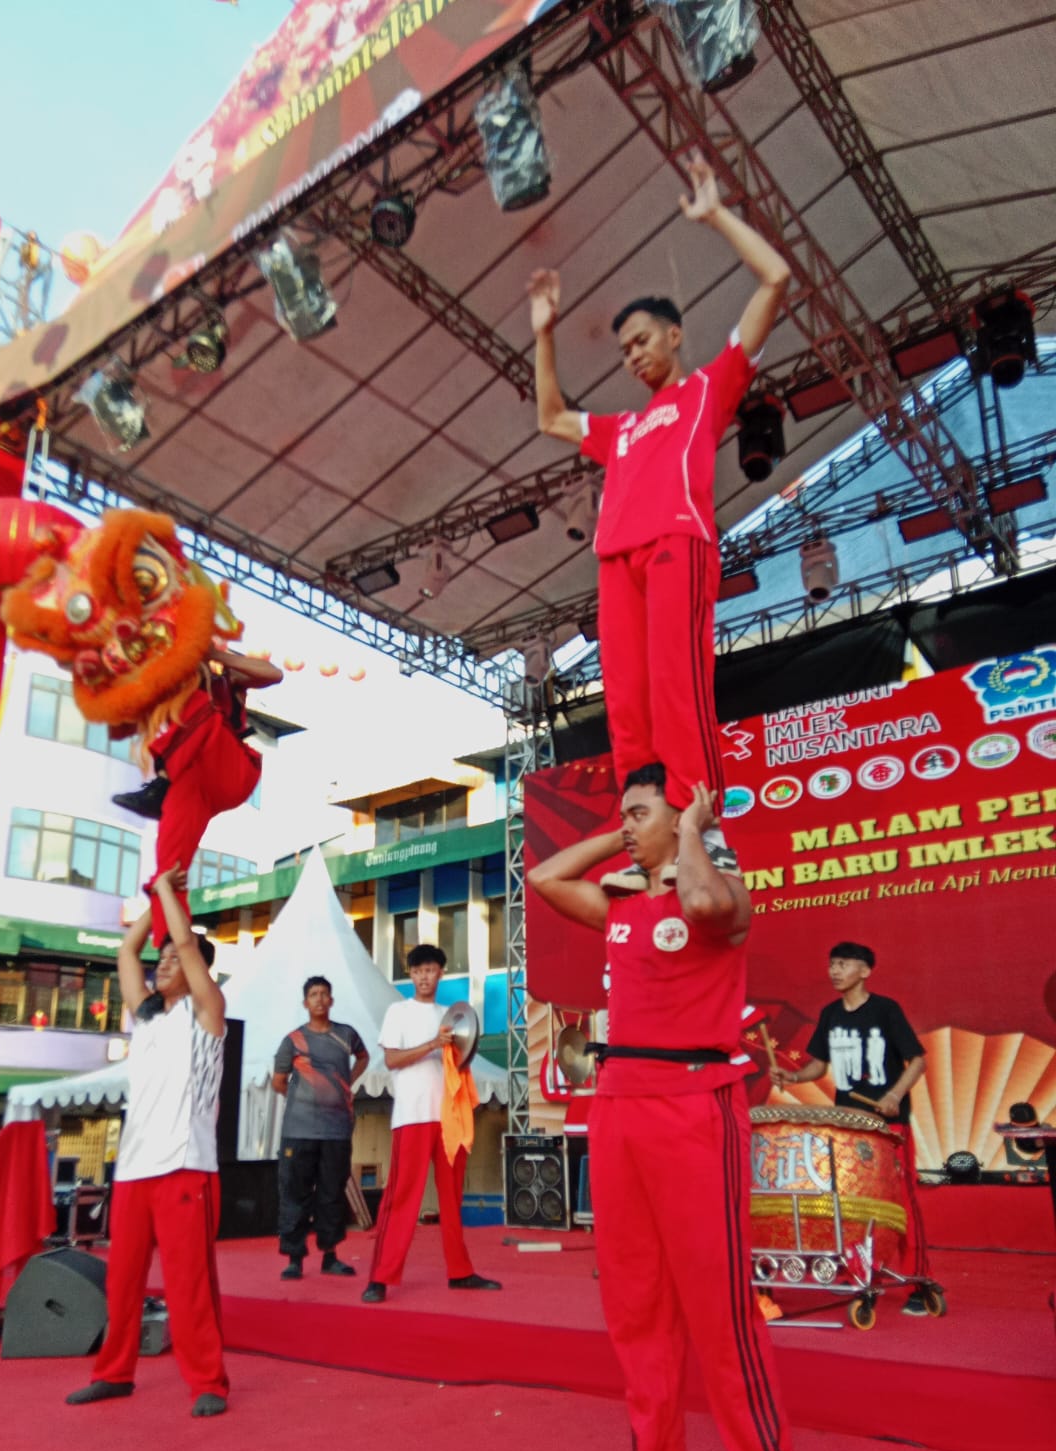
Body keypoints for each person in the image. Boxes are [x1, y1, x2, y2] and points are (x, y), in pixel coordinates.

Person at [529, 767, 808, 1451]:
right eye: (623, 815)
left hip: (696, 1104)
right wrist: (629, 836)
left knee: (722, 1323)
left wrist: (687, 830)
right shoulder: (619, 907)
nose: (626, 824)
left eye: (638, 811)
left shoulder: (716, 892)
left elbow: (712, 908)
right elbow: (545, 877)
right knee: (636, 1311)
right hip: (619, 1105)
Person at [527, 151, 790, 882]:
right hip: (618, 559)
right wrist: (545, 331)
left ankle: (706, 831)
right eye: (622, 351)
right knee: (630, 708)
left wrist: (715, 217)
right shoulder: (622, 428)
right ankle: (648, 841)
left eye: (641, 341)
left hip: (678, 544)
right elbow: (550, 415)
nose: (632, 356)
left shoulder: (708, 390)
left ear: (675, 336)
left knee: (679, 687)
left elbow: (776, 281)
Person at [66, 866, 230, 1417]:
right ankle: (114, 1373)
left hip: (185, 1165)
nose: (163, 965)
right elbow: (125, 955)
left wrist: (167, 890)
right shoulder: (149, 1019)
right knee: (122, 1281)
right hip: (135, 1168)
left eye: (174, 962)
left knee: (186, 1286)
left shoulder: (208, 1014)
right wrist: (150, 906)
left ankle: (208, 1381)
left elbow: (184, 942)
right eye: (159, 962)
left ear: (198, 971)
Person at [772, 941, 931, 1313]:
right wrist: (792, 1075)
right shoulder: (830, 1014)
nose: (834, 971)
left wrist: (894, 1094)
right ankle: (859, 1274)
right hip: (849, 1124)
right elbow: (819, 1066)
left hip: (888, 1125)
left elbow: (917, 1061)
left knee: (901, 1203)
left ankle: (919, 1284)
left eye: (843, 964)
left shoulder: (885, 1010)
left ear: (865, 971)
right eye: (831, 964)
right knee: (852, 1204)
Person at [113, 650, 282, 946]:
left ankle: (161, 782)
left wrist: (215, 655)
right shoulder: (176, 679)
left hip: (228, 766)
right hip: (190, 778)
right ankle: (171, 949)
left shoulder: (226, 677)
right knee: (168, 871)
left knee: (202, 706)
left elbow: (274, 674)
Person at [362, 944, 500, 1304]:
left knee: (452, 1199)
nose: (425, 976)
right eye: (419, 970)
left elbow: (462, 1061)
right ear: (411, 975)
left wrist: (456, 1054)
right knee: (403, 1197)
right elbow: (391, 1059)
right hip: (412, 1116)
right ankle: (380, 1276)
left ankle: (461, 1271)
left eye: (432, 970)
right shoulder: (399, 1012)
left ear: (442, 973)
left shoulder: (452, 1016)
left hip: (449, 1118)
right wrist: (431, 1045)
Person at [273, 975, 369, 1280]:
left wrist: (347, 1083)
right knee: (295, 1194)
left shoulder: (346, 1034)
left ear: (331, 1000)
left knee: (331, 1194)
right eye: (313, 994)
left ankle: (330, 1256)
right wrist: (304, 1101)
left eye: (324, 994)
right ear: (305, 1002)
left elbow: (364, 1057)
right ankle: (294, 1259)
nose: (319, 999)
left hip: (337, 1131)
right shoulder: (293, 1041)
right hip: (298, 1132)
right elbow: (278, 1081)